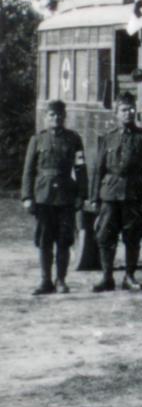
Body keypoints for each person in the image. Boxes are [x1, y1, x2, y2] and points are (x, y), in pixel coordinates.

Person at [92, 92, 142, 292]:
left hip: (133, 194)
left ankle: (129, 277)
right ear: (116, 113)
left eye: (131, 109)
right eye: (123, 110)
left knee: (133, 235)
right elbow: (99, 169)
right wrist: (95, 197)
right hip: (110, 194)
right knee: (106, 236)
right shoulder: (107, 138)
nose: (128, 113)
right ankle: (107, 277)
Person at [21, 99, 87, 295]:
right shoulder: (37, 140)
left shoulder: (74, 139)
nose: (56, 118)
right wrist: (27, 196)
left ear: (64, 117)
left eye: (59, 115)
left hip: (66, 196)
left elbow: (81, 169)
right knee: (44, 240)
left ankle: (61, 280)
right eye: (52, 115)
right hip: (43, 197)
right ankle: (45, 281)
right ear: (46, 117)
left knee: (64, 241)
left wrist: (81, 195)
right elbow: (28, 171)